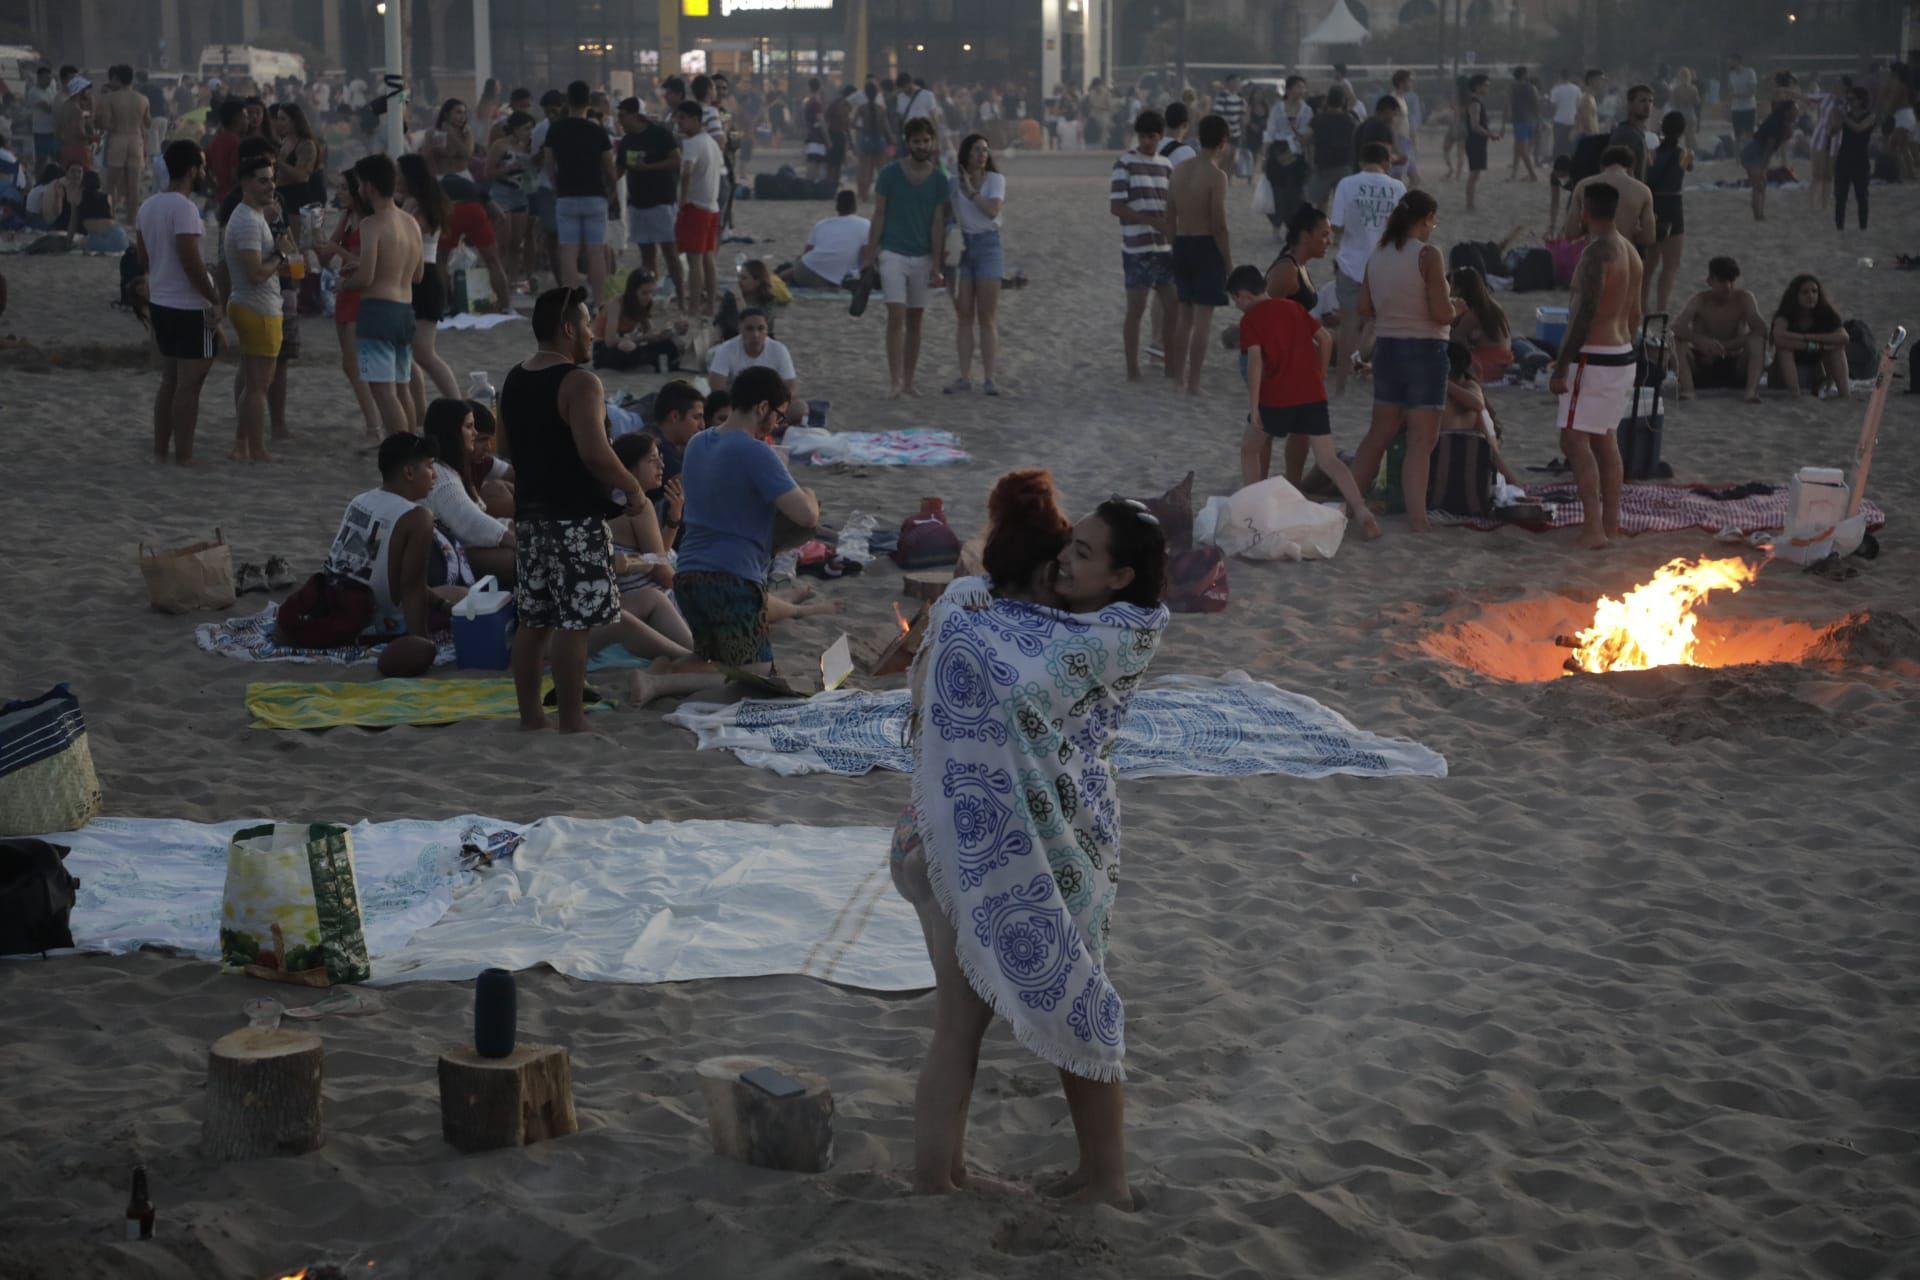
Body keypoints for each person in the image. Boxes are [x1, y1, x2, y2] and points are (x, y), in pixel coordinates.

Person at [895, 486, 1168, 1207]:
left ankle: (995, 1174)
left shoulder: (1094, 631)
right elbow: (1002, 680)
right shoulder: (1002, 626)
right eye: (1064, 549)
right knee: (1027, 1013)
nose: (1067, 563)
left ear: (1120, 577)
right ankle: (946, 1180)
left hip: (1004, 844)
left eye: (1083, 553)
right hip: (967, 846)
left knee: (1036, 1005)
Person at [626, 366, 821, 707]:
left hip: (688, 579)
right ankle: (656, 684)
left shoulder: (700, 442)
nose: (777, 424)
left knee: (717, 659)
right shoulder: (755, 451)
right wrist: (810, 494)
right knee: (757, 679)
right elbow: (805, 516)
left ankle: (669, 669)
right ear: (762, 408)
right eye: (777, 414)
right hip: (731, 582)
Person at [499, 287, 644, 733]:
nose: (591, 333)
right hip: (574, 518)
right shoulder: (581, 382)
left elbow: (505, 447)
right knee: (573, 624)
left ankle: (531, 718)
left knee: (534, 620)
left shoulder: (514, 377)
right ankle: (572, 722)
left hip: (530, 516)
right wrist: (634, 489)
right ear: (566, 329)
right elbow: (595, 452)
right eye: (585, 323)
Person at [1347, 191, 1465, 533]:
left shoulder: (1378, 253)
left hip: (1387, 347)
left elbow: (1366, 309)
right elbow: (1441, 312)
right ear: (1426, 218)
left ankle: (1348, 505)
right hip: (1425, 350)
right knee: (1421, 440)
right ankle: (1418, 520)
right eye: (1434, 220)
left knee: (1378, 433)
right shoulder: (1428, 254)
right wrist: (1459, 308)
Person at [1230, 264, 1379, 536]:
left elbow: (1254, 362)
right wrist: (1320, 373)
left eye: (1235, 301)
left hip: (1276, 398)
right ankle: (1361, 510)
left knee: (1249, 449)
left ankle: (1254, 510)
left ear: (1242, 295)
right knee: (1329, 460)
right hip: (1312, 396)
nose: (1238, 307)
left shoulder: (1250, 320)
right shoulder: (1293, 308)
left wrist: (1254, 405)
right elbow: (1324, 338)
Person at [1551, 182, 1643, 550]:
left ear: (1585, 212)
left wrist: (1562, 365)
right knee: (1605, 438)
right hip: (1621, 352)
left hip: (1594, 354)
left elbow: (1584, 314)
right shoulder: (1631, 251)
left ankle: (1593, 527)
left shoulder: (1596, 254)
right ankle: (1611, 523)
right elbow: (1635, 312)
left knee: (1574, 438)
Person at [322, 431, 444, 678]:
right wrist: (421, 642)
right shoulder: (417, 516)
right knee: (462, 596)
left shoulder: (361, 499)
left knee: (448, 599)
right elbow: (411, 586)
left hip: (335, 601)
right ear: (409, 473)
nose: (435, 475)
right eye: (430, 467)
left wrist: (441, 603)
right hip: (376, 619)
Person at [137, 139, 221, 465]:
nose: (204, 172)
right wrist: (214, 298)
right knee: (190, 385)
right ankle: (184, 456)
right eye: (201, 166)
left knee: (169, 381)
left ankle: (161, 451)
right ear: (191, 170)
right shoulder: (185, 209)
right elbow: (191, 261)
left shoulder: (148, 206)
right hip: (188, 306)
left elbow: (144, 257)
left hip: (161, 301)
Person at [864, 115, 951, 398]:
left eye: (926, 140)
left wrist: (937, 261)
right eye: (917, 141)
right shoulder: (889, 174)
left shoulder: (939, 179)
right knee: (896, 316)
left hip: (923, 255)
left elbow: (938, 222)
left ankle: (910, 380)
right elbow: (879, 214)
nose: (922, 145)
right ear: (907, 142)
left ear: (932, 142)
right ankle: (895, 380)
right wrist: (870, 251)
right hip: (893, 252)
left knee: (916, 320)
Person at [341, 154, 424, 436]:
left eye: (360, 184)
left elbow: (366, 278)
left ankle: (404, 455)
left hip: (378, 312)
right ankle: (413, 446)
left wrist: (344, 283)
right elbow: (417, 274)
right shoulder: (410, 222)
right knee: (402, 390)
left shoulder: (371, 224)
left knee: (383, 392)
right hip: (405, 310)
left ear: (369, 187)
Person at [224, 153, 295, 462]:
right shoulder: (248, 222)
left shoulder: (252, 217)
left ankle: (242, 444)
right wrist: (279, 256)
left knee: (252, 381)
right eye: (262, 180)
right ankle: (256, 448)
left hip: (252, 305)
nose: (271, 186)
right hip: (258, 309)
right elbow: (255, 273)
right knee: (258, 386)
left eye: (272, 179)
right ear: (245, 183)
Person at [606, 433, 697, 658]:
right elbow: (661, 571)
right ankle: (795, 606)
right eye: (652, 460)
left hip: (635, 599)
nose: (662, 465)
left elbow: (655, 555)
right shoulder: (638, 506)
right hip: (649, 602)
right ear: (629, 468)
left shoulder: (615, 500)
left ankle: (795, 604)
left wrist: (673, 520)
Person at [1328, 140, 1404, 396]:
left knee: (1348, 325)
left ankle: (1340, 385)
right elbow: (1403, 230)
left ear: (1361, 162)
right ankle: (1383, 384)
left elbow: (1336, 226)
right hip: (1385, 264)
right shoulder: (1397, 187)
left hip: (1351, 263)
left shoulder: (1346, 184)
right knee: (1385, 326)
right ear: (1386, 163)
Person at [1167, 113, 1232, 396]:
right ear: (1222, 143)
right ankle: (1193, 383)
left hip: (1182, 242)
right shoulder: (1216, 176)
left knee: (1185, 317)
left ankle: (1178, 378)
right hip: (1206, 245)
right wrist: (1228, 262)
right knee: (1203, 320)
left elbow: (1169, 213)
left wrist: (1174, 244)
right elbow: (1219, 223)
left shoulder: (1179, 170)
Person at [1109, 109, 1175, 383]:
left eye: (1153, 136)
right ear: (1138, 136)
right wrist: (1149, 220)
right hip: (1136, 248)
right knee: (1136, 309)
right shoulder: (1124, 164)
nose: (1148, 141)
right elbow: (1116, 207)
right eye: (1144, 136)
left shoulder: (1167, 166)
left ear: (1160, 136)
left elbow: (1172, 205)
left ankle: (1171, 363)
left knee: (1173, 308)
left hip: (1163, 248)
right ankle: (1132, 368)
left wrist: (1170, 227)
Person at [421, 396, 516, 584]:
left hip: (459, 543)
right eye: (469, 427)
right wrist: (514, 542)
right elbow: (470, 523)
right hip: (443, 554)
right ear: (451, 432)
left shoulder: (449, 467)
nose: (474, 433)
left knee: (522, 531)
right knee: (515, 559)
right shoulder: (441, 477)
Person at [395, 153, 458, 417]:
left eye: (399, 173)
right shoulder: (420, 203)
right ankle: (421, 411)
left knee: (423, 353)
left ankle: (458, 404)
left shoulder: (419, 207)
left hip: (425, 278)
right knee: (409, 352)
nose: (395, 179)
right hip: (417, 277)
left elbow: (407, 238)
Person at [545, 80, 617, 305]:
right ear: (588, 102)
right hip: (594, 194)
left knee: (568, 253)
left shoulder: (556, 129)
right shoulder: (597, 131)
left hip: (567, 195)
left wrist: (557, 185)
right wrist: (613, 189)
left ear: (567, 100)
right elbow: (608, 167)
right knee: (596, 253)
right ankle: (600, 303)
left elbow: (549, 164)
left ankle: (572, 304)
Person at [947, 132, 1007, 396]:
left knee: (987, 315)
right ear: (966, 155)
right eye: (976, 150)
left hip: (988, 245)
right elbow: (947, 215)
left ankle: (990, 378)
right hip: (964, 245)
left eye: (985, 150)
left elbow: (992, 210)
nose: (982, 154)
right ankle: (964, 376)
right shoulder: (953, 183)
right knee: (964, 316)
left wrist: (971, 192)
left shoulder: (995, 180)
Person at [614, 98, 683, 300]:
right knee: (646, 254)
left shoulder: (660, 135)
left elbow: (675, 159)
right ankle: (649, 298)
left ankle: (680, 295)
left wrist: (649, 168)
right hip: (637, 203)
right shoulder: (626, 141)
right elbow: (618, 170)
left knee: (670, 252)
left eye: (623, 116)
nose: (620, 121)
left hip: (662, 201)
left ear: (636, 115)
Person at [1673, 256, 1767, 402]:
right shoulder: (1700, 300)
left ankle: (1751, 393)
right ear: (1710, 281)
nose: (1728, 286)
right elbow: (1676, 327)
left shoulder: (1744, 298)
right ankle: (1688, 391)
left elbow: (1761, 329)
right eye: (1722, 281)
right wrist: (1702, 341)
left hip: (1734, 363)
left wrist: (1725, 346)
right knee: (1677, 341)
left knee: (1757, 341)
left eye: (1731, 281)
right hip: (1703, 363)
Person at [673, 100, 724, 320]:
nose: (679, 122)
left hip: (696, 206)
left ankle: (694, 306)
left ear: (695, 119)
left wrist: (683, 198)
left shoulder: (693, 143)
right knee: (708, 258)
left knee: (695, 261)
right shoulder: (711, 142)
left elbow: (687, 171)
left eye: (683, 118)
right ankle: (710, 305)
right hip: (712, 205)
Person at [1768, 275, 1850, 399]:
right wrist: (1815, 346)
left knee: (1837, 349)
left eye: (1814, 291)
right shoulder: (1785, 315)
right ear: (1795, 295)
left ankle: (1844, 393)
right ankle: (1795, 394)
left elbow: (1844, 337)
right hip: (1783, 376)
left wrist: (1805, 336)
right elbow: (1779, 338)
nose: (1811, 296)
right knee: (1784, 349)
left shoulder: (1825, 313)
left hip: (1813, 374)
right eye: (1805, 292)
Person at [1562, 146, 1655, 253]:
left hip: (1593, 255)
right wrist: (1632, 230)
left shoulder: (1583, 185)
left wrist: (1587, 227)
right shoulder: (1642, 191)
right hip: (1624, 256)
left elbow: (1570, 233)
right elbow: (1649, 238)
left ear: (1602, 166)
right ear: (1631, 169)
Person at [1644, 111, 1692, 314]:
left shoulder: (1651, 153)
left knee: (1649, 264)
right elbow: (1688, 167)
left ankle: (1642, 306)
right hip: (1673, 205)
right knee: (1670, 265)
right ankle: (1661, 308)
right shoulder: (1685, 154)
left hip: (1653, 205)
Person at [487, 110, 540, 292]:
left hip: (521, 194)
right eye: (526, 129)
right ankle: (498, 281)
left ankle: (513, 281)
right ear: (515, 129)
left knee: (517, 243)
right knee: (502, 241)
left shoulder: (528, 146)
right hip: (502, 194)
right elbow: (488, 172)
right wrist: (510, 169)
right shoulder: (500, 146)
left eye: (531, 129)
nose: (529, 132)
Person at [594, 269, 683, 372]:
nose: (649, 297)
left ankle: (649, 363)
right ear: (633, 291)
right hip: (604, 350)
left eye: (651, 292)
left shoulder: (644, 304)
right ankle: (649, 363)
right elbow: (610, 341)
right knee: (627, 346)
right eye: (644, 293)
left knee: (670, 344)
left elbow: (650, 332)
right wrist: (642, 338)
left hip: (630, 343)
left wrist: (667, 333)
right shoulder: (616, 304)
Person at [781, 189, 868, 289]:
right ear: (855, 206)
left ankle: (774, 279)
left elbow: (806, 254)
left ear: (837, 206)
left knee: (801, 264)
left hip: (805, 272)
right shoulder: (866, 225)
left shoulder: (822, 224)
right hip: (837, 278)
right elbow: (867, 258)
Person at [1743, 74, 1799, 223]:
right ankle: (1758, 215)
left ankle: (1759, 212)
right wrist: (1763, 168)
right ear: (1787, 111)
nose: (1796, 114)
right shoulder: (1777, 123)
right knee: (1759, 185)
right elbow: (1768, 149)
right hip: (1752, 152)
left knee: (1762, 185)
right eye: (1794, 111)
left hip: (1756, 151)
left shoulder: (1783, 123)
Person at [706, 308, 797, 398]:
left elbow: (792, 387)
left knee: (800, 407)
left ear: (767, 330)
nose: (755, 334)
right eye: (750, 329)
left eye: (761, 328)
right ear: (740, 328)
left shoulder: (779, 349)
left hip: (768, 401)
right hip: (737, 401)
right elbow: (716, 387)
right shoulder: (726, 349)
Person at [100, 66, 149, 224]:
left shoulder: (111, 98)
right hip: (136, 139)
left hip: (118, 138)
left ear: (117, 79)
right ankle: (131, 219)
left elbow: (104, 122)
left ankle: (108, 215)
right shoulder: (142, 99)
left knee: (111, 183)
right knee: (134, 184)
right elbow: (147, 122)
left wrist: (114, 126)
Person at [1447, 265, 1512, 384]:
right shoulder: (1492, 305)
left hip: (1488, 363)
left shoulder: (1473, 313)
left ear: (1460, 289)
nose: (1448, 287)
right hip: (1505, 358)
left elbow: (1452, 338)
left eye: (1451, 283)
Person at [1264, 203, 1329, 316]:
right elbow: (1263, 315)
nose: (1329, 242)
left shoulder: (1299, 265)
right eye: (1324, 235)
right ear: (1305, 236)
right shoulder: (1287, 270)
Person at [1263, 77, 1313, 223]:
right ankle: (1277, 223)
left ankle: (1293, 224)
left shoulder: (1307, 110)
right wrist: (1265, 152)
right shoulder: (1277, 108)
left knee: (1296, 191)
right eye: (1298, 87)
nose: (1301, 90)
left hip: (1296, 153)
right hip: (1278, 151)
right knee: (1278, 190)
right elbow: (1270, 131)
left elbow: (1306, 136)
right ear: (1289, 89)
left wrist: (1295, 129)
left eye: (1303, 87)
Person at [1832, 86, 1876, 232]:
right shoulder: (1847, 115)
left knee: (1862, 196)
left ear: (1861, 100)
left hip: (1860, 160)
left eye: (1852, 99)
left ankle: (1863, 227)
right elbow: (1833, 131)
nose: (1849, 102)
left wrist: (1844, 117)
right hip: (1844, 158)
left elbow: (1859, 128)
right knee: (1840, 197)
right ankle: (1839, 228)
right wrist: (1836, 117)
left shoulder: (1870, 116)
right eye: (1848, 99)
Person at [1307, 86, 1356, 210]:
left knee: (1322, 202)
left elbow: (1307, 140)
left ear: (1328, 101)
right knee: (1343, 203)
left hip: (1324, 165)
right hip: (1344, 164)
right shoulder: (1349, 119)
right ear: (1343, 101)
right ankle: (1340, 227)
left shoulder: (1318, 119)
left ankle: (1322, 227)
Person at [1607, 83, 1656, 182]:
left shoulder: (1636, 133)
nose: (1648, 105)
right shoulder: (1627, 134)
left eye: (1650, 101)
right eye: (1642, 101)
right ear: (1630, 104)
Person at [854, 78, 891, 203]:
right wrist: (892, 139)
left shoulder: (862, 108)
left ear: (865, 93)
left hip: (866, 138)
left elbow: (853, 123)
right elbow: (886, 127)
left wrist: (862, 128)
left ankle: (864, 195)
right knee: (881, 170)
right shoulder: (881, 109)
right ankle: (883, 195)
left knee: (865, 169)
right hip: (879, 139)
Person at [423, 98, 476, 179]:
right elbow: (427, 158)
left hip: (461, 176)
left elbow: (468, 154)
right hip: (440, 176)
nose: (463, 117)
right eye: (459, 112)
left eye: (464, 113)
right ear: (446, 114)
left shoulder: (466, 132)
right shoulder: (432, 133)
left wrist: (451, 135)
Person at [55, 75, 96, 170]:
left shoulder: (65, 106)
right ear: (80, 91)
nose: (88, 93)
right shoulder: (77, 111)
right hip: (79, 150)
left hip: (66, 149)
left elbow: (58, 131)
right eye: (86, 90)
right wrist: (93, 138)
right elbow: (79, 133)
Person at [1390, 69, 1423, 186]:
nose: (1412, 83)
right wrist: (1396, 147)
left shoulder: (1402, 98)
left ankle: (1402, 202)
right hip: (1399, 142)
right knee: (1396, 179)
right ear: (1401, 83)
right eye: (1410, 81)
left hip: (1405, 142)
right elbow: (1392, 126)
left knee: (1415, 180)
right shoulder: (1393, 99)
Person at [1509, 67, 1540, 181]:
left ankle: (1532, 174)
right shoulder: (1531, 87)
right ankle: (1514, 174)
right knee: (1519, 149)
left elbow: (1509, 104)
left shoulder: (1514, 87)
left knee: (1521, 149)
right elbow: (1536, 104)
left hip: (1520, 120)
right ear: (1524, 74)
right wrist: (1538, 121)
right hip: (1530, 120)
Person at [27, 67, 57, 170]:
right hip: (41, 132)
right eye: (46, 78)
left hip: (53, 131)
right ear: (39, 78)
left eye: (50, 78)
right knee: (41, 160)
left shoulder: (50, 88)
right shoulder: (34, 93)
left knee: (57, 158)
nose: (49, 80)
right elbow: (48, 109)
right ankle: (38, 183)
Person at [1548, 68, 1582, 160]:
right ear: (1570, 77)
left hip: (1559, 121)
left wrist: (1552, 117)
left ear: (1560, 76)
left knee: (1559, 146)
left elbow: (1553, 106)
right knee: (1570, 146)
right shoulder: (1576, 89)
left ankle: (1558, 165)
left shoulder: (1556, 89)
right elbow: (1579, 106)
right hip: (1572, 121)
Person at [1727, 55, 1759, 146]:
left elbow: (1752, 91)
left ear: (1737, 61)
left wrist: (1738, 95)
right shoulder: (1731, 74)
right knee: (1737, 135)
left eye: (1732, 61)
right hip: (1736, 108)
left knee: (1749, 133)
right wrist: (1729, 107)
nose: (1730, 63)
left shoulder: (1749, 72)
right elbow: (1731, 91)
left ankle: (1749, 155)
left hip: (1748, 107)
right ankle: (1738, 159)